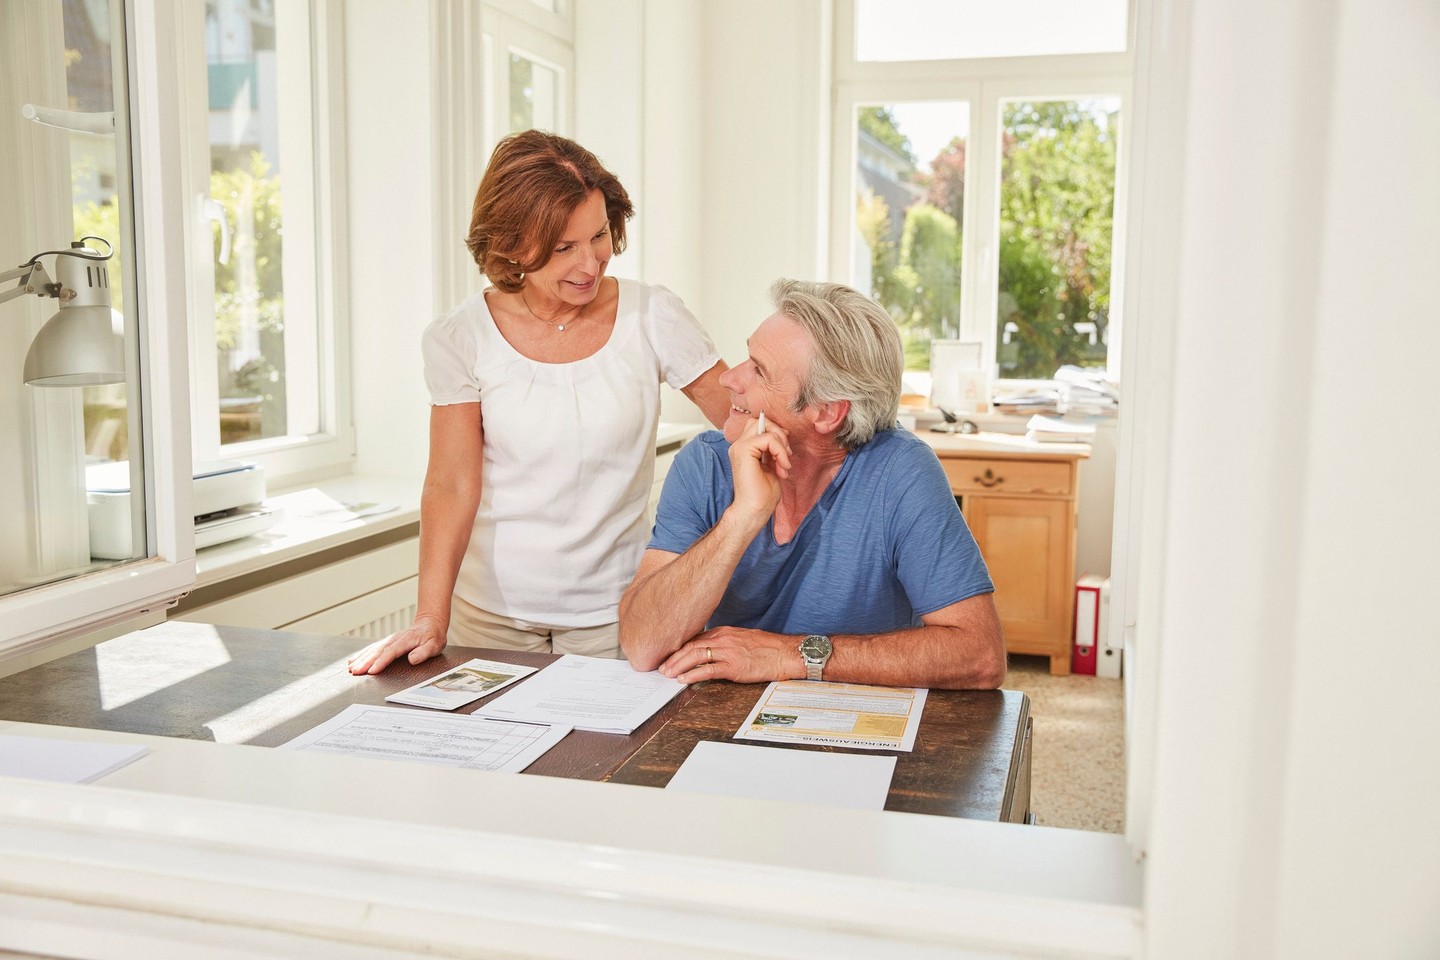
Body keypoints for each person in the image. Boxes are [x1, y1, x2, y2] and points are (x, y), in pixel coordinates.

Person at [349, 131, 730, 676]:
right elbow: (452, 485)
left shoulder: (652, 316)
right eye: (562, 248)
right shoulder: (460, 338)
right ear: (510, 246)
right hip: (488, 617)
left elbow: (745, 421)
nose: (589, 264)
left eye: (598, 236)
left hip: (618, 617)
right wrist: (431, 616)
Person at [618, 279, 1005, 690]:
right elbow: (642, 646)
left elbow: (980, 656)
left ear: (826, 413)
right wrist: (743, 517)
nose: (730, 378)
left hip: (856, 721)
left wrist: (787, 655)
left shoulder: (901, 472)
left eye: (759, 371)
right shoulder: (706, 463)